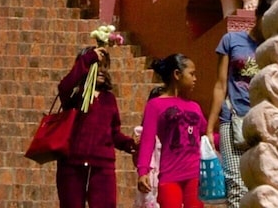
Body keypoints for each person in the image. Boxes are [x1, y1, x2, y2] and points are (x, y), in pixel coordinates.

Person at [55, 26, 138, 208]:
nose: (101, 70)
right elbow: (64, 86)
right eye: (96, 66)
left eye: (104, 66)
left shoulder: (109, 99)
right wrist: (89, 58)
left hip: (102, 165)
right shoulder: (75, 94)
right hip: (72, 163)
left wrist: (130, 144)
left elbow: (114, 133)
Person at [210, 0, 274, 201]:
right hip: (232, 118)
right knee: (236, 184)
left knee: (263, 183)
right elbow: (220, 85)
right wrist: (210, 127)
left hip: (262, 122)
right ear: (258, 14)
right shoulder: (232, 40)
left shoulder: (275, 48)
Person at [137, 54, 207, 208]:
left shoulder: (195, 107)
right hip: (170, 175)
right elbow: (147, 140)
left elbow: (207, 135)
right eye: (192, 74)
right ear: (177, 74)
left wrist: (230, 138)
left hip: (195, 175)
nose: (195, 79)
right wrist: (143, 171)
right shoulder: (155, 105)